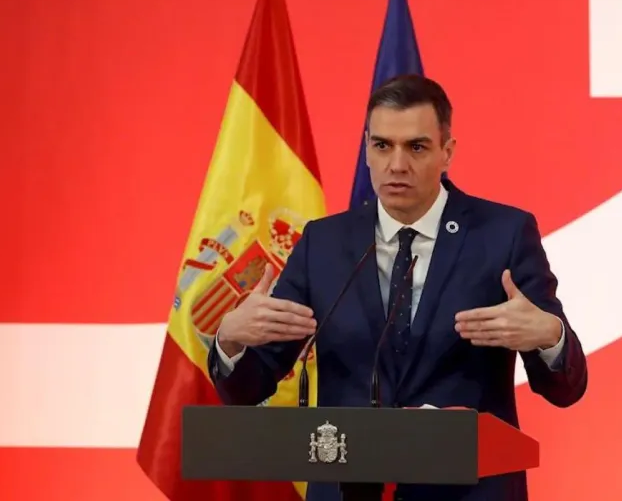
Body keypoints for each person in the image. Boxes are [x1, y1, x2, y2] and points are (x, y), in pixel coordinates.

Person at [208, 74, 588, 501]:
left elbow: (565, 389)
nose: (397, 165)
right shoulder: (325, 244)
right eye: (382, 145)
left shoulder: (504, 234)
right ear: (366, 149)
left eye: (417, 147)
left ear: (448, 152)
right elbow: (248, 388)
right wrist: (231, 340)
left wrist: (550, 338)